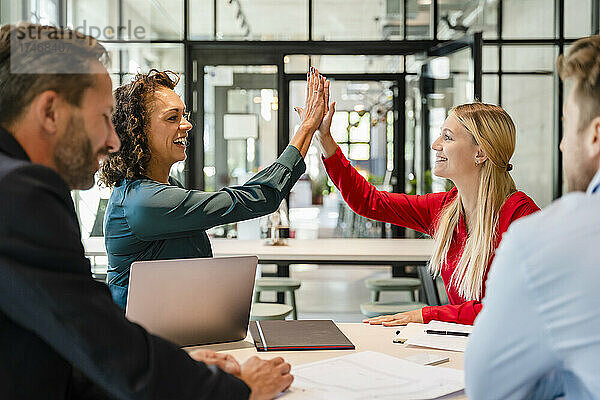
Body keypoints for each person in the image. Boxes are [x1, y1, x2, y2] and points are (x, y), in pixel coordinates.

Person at [0, 22, 294, 400]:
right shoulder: (21, 194)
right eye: (103, 117)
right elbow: (102, 346)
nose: (111, 140)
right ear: (51, 111)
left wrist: (178, 368)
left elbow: (59, 346)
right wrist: (233, 388)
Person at [100, 68, 326, 310]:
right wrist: (306, 129)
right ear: (139, 131)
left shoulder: (162, 188)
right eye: (172, 118)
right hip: (139, 339)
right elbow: (259, 197)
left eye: (183, 115)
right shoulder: (144, 202)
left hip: (170, 329)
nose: (186, 124)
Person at [311, 96, 539, 326]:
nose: (436, 144)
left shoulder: (521, 217)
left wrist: (428, 315)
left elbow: (513, 309)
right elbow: (369, 202)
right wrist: (324, 138)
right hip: (463, 344)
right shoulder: (446, 208)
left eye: (447, 137)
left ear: (480, 153)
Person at [465, 35, 600, 400]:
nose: (561, 144)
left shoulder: (537, 235)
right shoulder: (447, 207)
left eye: (567, 124)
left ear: (595, 135)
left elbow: (490, 389)